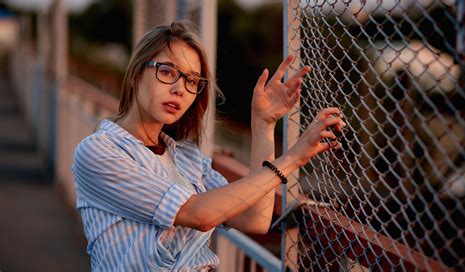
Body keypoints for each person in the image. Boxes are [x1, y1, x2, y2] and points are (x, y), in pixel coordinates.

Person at [72, 20, 346, 271]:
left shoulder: (187, 157)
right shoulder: (98, 151)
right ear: (135, 74)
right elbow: (198, 213)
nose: (179, 89)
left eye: (191, 80)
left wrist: (263, 125)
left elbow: (255, 219)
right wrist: (294, 158)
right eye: (167, 72)